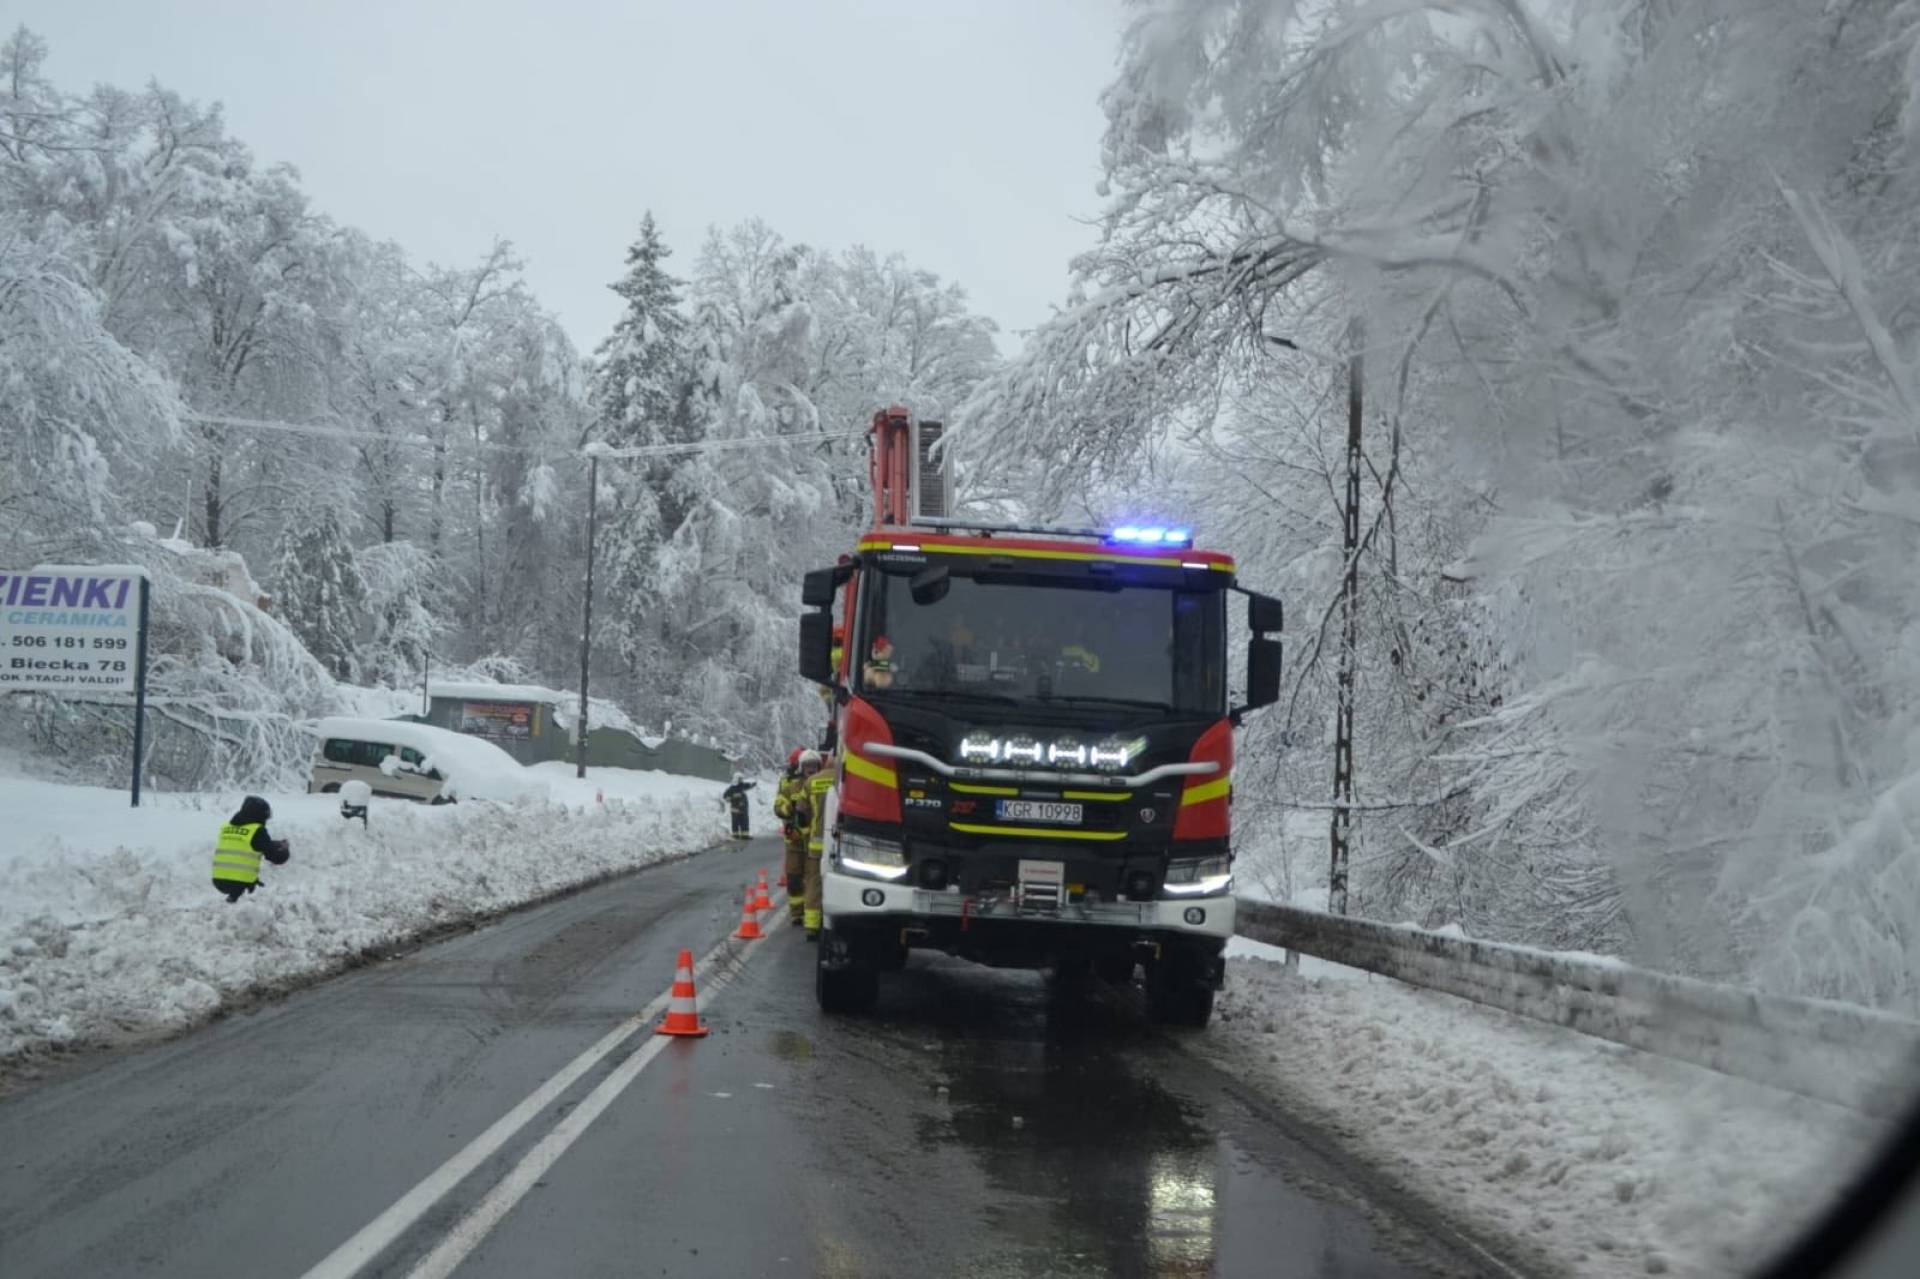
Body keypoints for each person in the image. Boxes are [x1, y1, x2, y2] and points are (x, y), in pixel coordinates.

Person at [212, 795, 290, 903]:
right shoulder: (256, 831)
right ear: (259, 815)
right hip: (238, 881)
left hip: (218, 880)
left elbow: (240, 849)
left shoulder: (226, 827)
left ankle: (232, 899)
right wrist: (283, 848)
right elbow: (275, 856)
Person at [800, 750, 834, 940]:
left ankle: (812, 926)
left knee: (814, 883)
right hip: (840, 845)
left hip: (816, 844)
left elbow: (801, 813)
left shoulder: (811, 782)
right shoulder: (844, 779)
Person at [774, 749, 808, 922]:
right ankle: (797, 913)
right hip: (794, 838)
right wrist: (790, 809)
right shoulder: (786, 782)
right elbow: (778, 806)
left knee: (813, 879)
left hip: (812, 839)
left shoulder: (814, 779)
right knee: (794, 877)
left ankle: (811, 913)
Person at [722, 772, 756, 841]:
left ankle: (745, 836)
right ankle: (736, 835)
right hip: (735, 809)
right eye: (740, 779)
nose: (741, 780)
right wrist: (734, 796)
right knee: (735, 822)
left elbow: (747, 785)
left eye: (741, 779)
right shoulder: (731, 788)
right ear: (736, 779)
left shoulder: (742, 786)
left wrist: (753, 784)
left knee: (744, 822)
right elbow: (725, 796)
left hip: (743, 809)